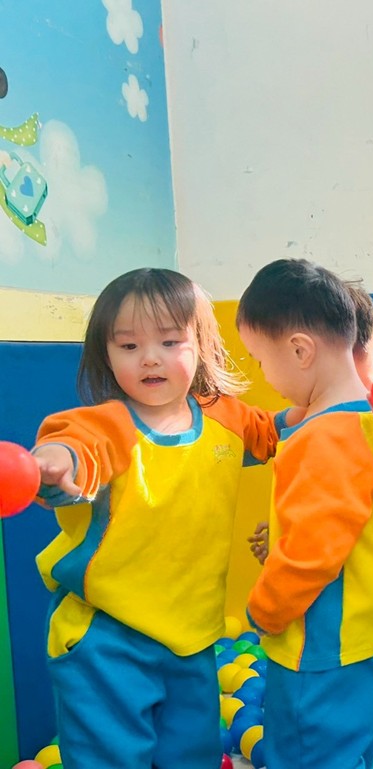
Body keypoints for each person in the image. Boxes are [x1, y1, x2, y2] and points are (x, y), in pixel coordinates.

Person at [31, 268, 285, 768]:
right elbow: (73, 448)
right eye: (128, 346)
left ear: (201, 346)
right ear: (106, 354)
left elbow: (278, 435)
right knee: (108, 756)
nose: (150, 358)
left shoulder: (225, 416)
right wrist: (55, 463)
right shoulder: (104, 426)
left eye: (170, 342)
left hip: (192, 638)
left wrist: (331, 412)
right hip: (107, 638)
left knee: (191, 753)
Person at [247, 278, 373, 769]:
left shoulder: (324, 437)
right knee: (359, 750)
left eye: (260, 360)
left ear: (300, 350)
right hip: (371, 631)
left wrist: (264, 609)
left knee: (305, 755)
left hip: (323, 646)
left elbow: (314, 550)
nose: (264, 373)